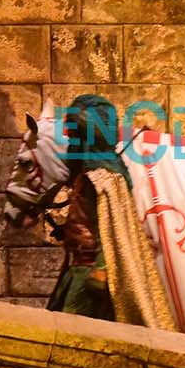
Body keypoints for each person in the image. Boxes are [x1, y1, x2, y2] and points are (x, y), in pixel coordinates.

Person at [44, 94, 126, 320]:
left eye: (75, 136)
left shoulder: (102, 178)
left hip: (90, 276)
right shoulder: (85, 175)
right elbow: (86, 217)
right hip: (76, 270)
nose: (70, 143)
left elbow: (113, 229)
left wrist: (101, 269)